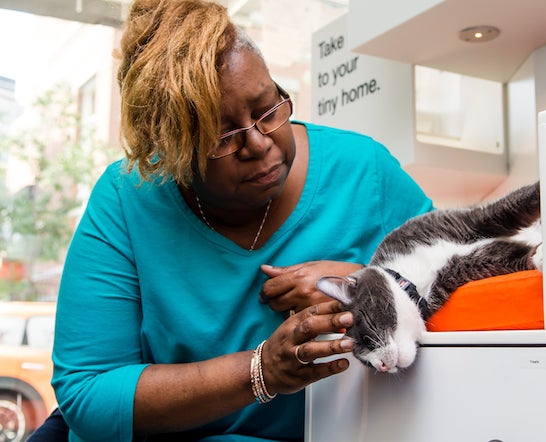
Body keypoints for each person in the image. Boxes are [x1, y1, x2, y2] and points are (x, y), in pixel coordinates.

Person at [45, 0, 435, 441]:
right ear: (170, 153)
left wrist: (366, 282)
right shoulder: (127, 198)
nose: (258, 142)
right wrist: (260, 370)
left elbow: (474, 295)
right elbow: (89, 394)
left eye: (266, 109)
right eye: (222, 137)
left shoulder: (365, 171)